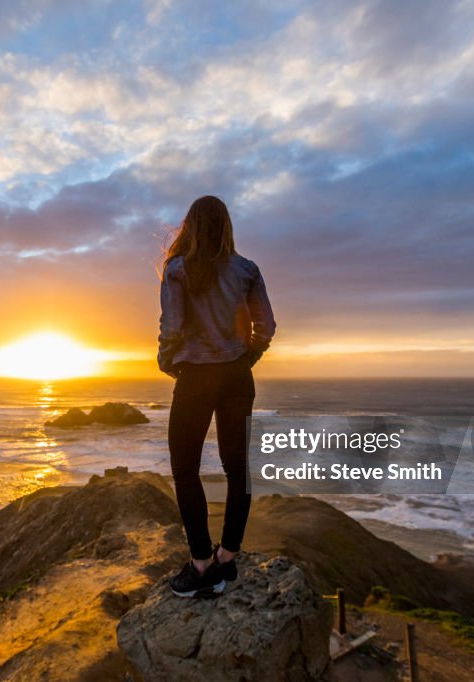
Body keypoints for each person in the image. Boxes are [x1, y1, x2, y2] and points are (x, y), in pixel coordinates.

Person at [157, 195, 276, 597]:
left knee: (185, 469)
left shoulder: (177, 270)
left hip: (194, 378)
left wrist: (165, 359)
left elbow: (172, 328)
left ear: (190, 226)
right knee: (236, 467)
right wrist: (249, 356)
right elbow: (267, 325)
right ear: (226, 227)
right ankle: (227, 559)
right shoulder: (247, 269)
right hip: (237, 376)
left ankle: (201, 564)